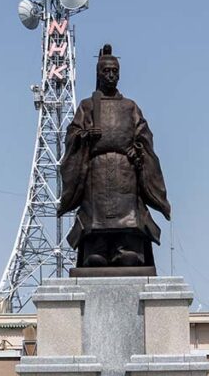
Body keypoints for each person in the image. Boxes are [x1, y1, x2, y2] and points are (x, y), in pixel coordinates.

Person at [58, 44, 171, 268]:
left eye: (114, 72)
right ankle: (97, 248)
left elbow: (144, 136)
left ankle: (126, 248)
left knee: (128, 219)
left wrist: (138, 150)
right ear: (99, 74)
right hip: (96, 172)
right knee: (96, 223)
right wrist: (85, 136)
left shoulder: (130, 107)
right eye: (106, 71)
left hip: (124, 172)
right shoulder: (88, 106)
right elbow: (72, 135)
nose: (111, 76)